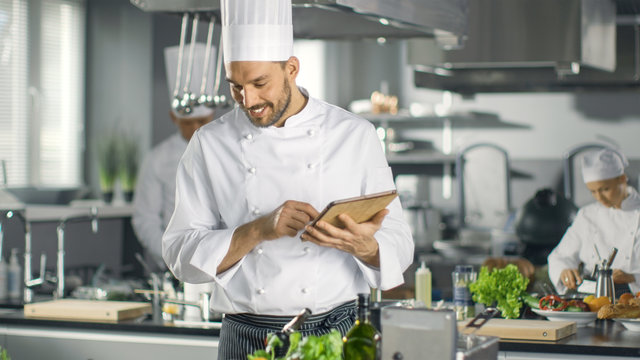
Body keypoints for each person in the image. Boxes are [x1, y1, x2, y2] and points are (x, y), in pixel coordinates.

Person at [162, 0, 414, 358]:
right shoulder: (210, 143)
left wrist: (364, 247)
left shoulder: (354, 135)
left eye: (259, 83)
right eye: (236, 86)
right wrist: (257, 230)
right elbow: (179, 254)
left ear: (292, 68)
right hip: (248, 337)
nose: (248, 100)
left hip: (336, 333)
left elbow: (400, 242)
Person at [132, 43, 215, 271]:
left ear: (213, 114)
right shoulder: (157, 159)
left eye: (203, 121)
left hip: (222, 259)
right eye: (189, 123)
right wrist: (170, 256)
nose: (197, 128)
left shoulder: (229, 150)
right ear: (173, 117)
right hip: (174, 263)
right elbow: (145, 218)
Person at [548, 148, 640, 295]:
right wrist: (564, 270)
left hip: (633, 300)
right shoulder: (587, 215)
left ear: (622, 178)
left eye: (605, 189)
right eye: (593, 191)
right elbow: (559, 256)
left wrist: (633, 277)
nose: (599, 198)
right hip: (590, 297)